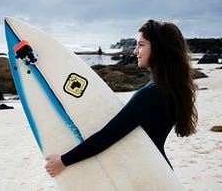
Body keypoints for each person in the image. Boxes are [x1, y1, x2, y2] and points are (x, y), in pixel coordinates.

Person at [45, 19, 198, 177]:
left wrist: (63, 161)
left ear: (159, 48)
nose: (134, 51)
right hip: (159, 172)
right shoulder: (170, 88)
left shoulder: (151, 94)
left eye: (141, 44)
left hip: (149, 176)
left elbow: (108, 135)